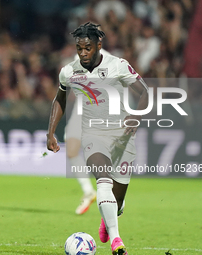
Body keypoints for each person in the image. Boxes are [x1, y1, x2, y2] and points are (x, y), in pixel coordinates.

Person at [47, 22, 149, 254]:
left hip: (122, 137)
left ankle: (108, 218)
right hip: (93, 134)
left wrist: (135, 117)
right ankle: (116, 241)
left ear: (98, 45)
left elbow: (144, 93)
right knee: (102, 179)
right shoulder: (69, 71)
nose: (83, 53)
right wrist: (50, 131)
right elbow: (59, 99)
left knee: (118, 201)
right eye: (79, 48)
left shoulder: (118, 66)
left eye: (88, 48)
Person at [67, 48, 111, 215]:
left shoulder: (107, 59)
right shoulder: (76, 57)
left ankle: (109, 194)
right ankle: (88, 191)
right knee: (71, 151)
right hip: (80, 109)